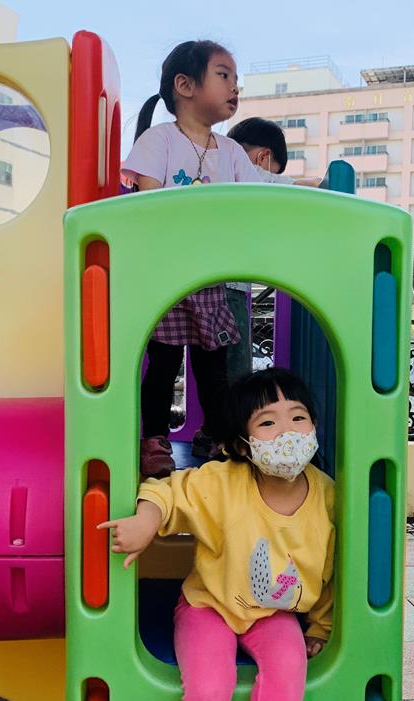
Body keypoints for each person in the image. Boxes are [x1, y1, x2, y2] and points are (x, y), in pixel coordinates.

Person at [100, 367, 335, 701]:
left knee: (289, 665)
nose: (287, 432)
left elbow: (332, 570)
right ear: (243, 445)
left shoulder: (329, 496)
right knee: (210, 685)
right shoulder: (224, 482)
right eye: (268, 423)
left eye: (298, 417)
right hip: (207, 606)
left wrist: (321, 627)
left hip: (274, 613)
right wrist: (146, 521)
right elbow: (167, 490)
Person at [122, 40, 262, 478]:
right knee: (163, 365)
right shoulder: (160, 140)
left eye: (236, 78)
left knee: (213, 367)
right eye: (223, 75)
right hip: (168, 275)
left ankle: (218, 435)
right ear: (184, 86)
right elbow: (148, 202)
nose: (235, 86)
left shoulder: (231, 152)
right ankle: (154, 439)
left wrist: (314, 185)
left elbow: (262, 191)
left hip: (210, 276)